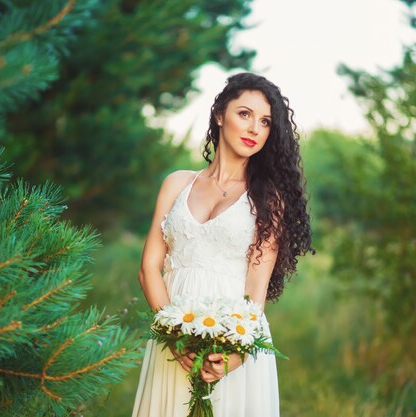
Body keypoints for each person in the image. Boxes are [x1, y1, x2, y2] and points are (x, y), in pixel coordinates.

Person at [131, 72, 314, 417]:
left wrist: (235, 355)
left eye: (265, 122)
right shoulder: (176, 184)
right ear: (219, 115)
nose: (254, 129)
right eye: (244, 114)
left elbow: (255, 293)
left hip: (230, 344)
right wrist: (176, 338)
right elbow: (148, 269)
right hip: (173, 337)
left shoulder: (269, 200)